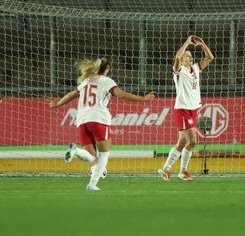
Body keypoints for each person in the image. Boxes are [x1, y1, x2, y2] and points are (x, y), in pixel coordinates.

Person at [49, 57, 155, 190]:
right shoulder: (107, 81)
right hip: (98, 118)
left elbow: (71, 95)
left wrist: (57, 104)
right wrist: (143, 99)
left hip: (82, 120)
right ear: (108, 68)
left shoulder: (86, 81)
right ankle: (91, 185)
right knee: (104, 154)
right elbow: (121, 94)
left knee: (91, 157)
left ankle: (75, 151)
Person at [157, 35, 214, 181]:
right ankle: (183, 171)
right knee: (193, 141)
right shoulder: (179, 71)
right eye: (188, 56)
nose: (191, 58)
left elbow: (210, 57)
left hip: (192, 109)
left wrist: (202, 44)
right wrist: (187, 43)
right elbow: (177, 58)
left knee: (182, 142)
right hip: (182, 109)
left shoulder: (195, 68)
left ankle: (165, 169)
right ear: (182, 60)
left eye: (191, 55)